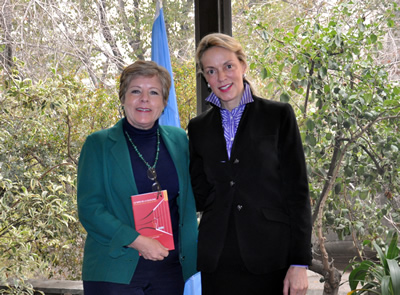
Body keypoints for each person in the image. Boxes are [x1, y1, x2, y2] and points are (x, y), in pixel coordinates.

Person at [187, 33, 312, 295]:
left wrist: (299, 262)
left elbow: (297, 192)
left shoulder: (278, 115)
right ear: (205, 78)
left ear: (243, 65)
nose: (221, 77)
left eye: (228, 66)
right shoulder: (198, 128)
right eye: (211, 71)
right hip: (217, 259)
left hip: (271, 257)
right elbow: (198, 193)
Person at [77, 60, 198, 295]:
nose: (144, 99)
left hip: (171, 271)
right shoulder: (98, 144)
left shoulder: (179, 140)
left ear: (163, 103)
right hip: (114, 269)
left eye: (153, 92)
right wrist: (138, 241)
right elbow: (90, 209)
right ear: (123, 98)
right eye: (136, 91)